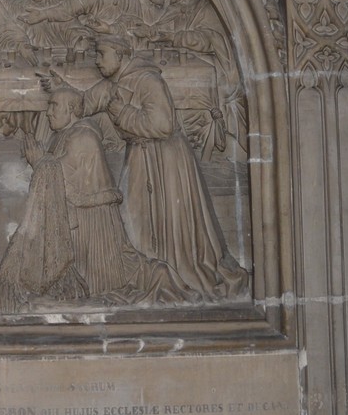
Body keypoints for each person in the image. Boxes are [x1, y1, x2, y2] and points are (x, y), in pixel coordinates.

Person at [39, 36, 246, 299]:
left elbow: (163, 125)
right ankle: (146, 273)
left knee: (169, 218)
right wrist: (62, 89)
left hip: (167, 160)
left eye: (102, 54)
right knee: (133, 216)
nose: (97, 61)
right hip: (139, 156)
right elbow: (82, 104)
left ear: (121, 54)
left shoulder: (148, 81)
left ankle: (174, 273)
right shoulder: (112, 83)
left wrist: (121, 110)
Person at [0, 87, 178, 309]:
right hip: (76, 218)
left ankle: (150, 276)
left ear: (71, 109)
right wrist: (41, 160)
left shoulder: (83, 136)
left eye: (54, 105)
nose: (48, 112)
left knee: (96, 284)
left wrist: (39, 161)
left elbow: (64, 174)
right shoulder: (65, 135)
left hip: (90, 223)